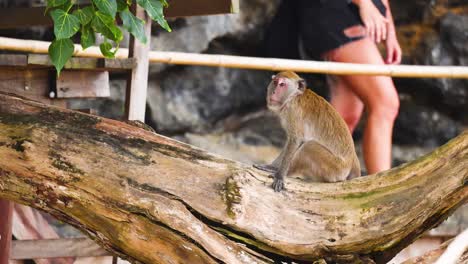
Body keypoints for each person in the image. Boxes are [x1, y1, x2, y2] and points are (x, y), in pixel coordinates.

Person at [263, 0, 401, 174]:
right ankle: (382, 189)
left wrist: (390, 30)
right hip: (335, 14)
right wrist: (365, 3)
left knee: (345, 117)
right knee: (385, 104)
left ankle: (318, 185)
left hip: (350, 16)